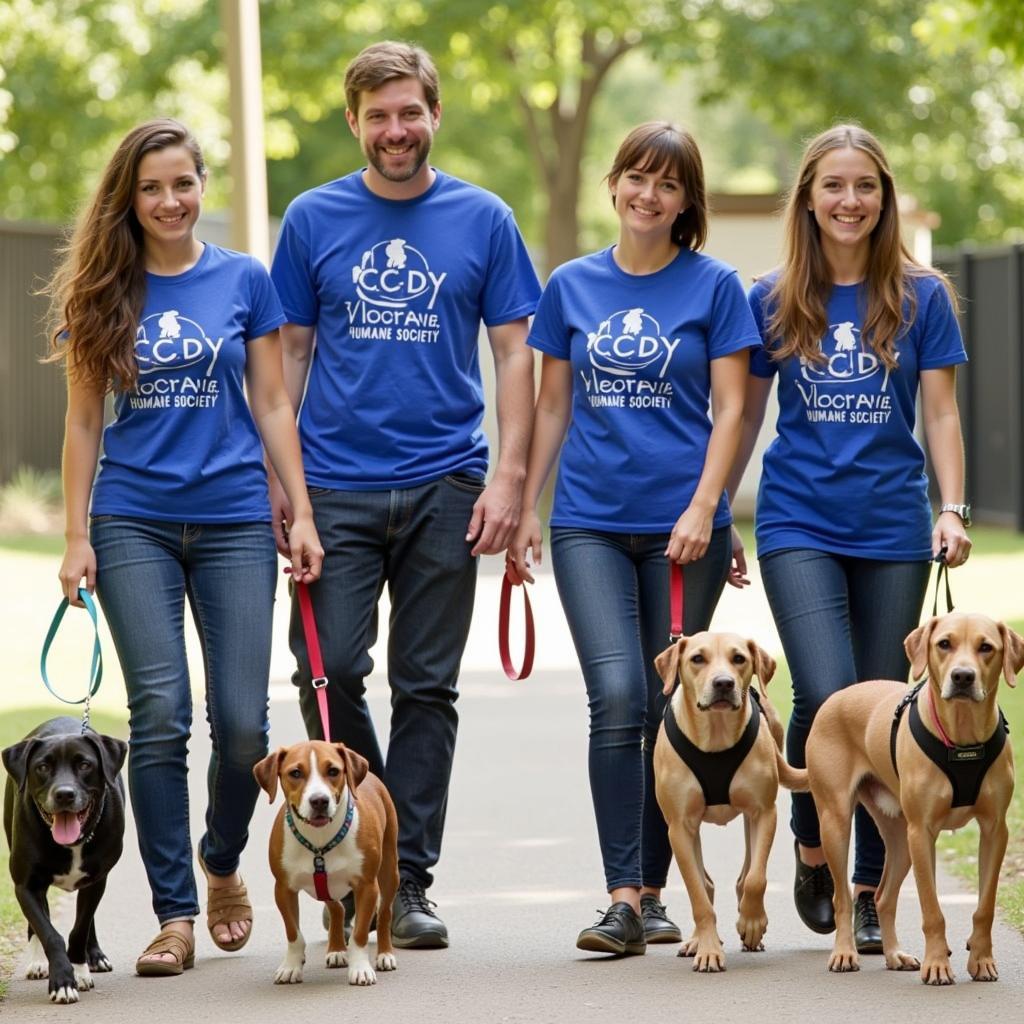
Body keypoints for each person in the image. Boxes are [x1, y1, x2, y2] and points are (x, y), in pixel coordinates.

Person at [269, 40, 541, 948]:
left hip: (447, 485)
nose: (396, 130)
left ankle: (405, 878)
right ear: (354, 122)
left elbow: (513, 353)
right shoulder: (312, 218)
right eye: (378, 115)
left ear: (434, 115)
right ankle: (359, 832)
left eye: (410, 113)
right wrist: (291, 492)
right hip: (335, 486)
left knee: (428, 688)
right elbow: (290, 358)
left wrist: (508, 479)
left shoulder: (485, 218)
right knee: (330, 669)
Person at [49, 118, 323, 976]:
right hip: (132, 519)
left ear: (204, 186)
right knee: (159, 717)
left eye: (183, 183)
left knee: (244, 724)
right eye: (151, 188)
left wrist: (301, 512)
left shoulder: (245, 278)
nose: (170, 201)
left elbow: (274, 404)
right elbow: (85, 420)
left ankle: (221, 858)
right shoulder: (103, 291)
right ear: (128, 199)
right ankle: (174, 915)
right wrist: (73, 535)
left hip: (238, 515)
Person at [507, 122, 761, 955]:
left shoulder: (716, 286)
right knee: (617, 695)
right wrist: (524, 511)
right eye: (636, 178)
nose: (648, 194)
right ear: (613, 185)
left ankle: (659, 891)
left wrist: (705, 506)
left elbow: (732, 409)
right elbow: (550, 407)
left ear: (687, 202)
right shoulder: (571, 286)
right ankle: (623, 895)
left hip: (685, 529)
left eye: (668, 183)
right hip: (588, 521)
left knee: (672, 700)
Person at [726, 123, 970, 954]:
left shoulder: (921, 295)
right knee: (825, 691)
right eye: (833, 185)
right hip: (798, 517)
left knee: (886, 703)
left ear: (884, 197)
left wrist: (953, 508)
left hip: (894, 522)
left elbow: (939, 411)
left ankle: (869, 888)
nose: (849, 200)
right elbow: (745, 412)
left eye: (864, 186)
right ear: (808, 196)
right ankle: (811, 846)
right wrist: (722, 505)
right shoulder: (770, 295)